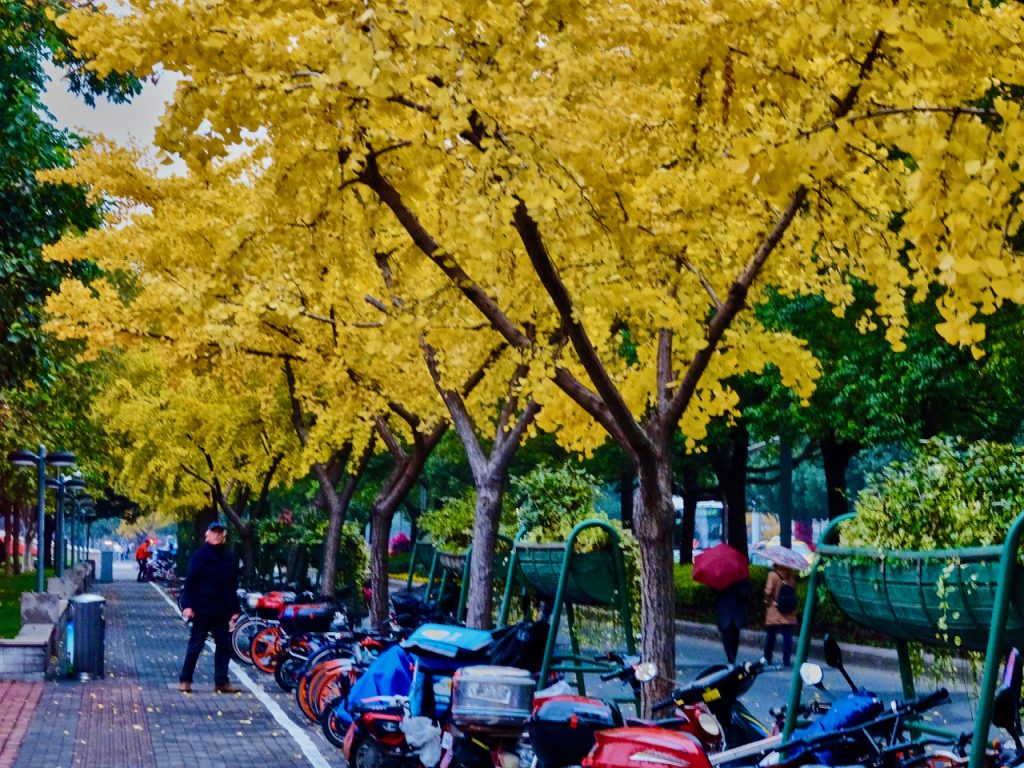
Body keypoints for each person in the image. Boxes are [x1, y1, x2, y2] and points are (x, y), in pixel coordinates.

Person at [178, 521, 242, 694]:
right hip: (202, 608)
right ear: (207, 534)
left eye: (220, 532)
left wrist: (235, 609)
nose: (217, 535)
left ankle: (221, 681)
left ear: (224, 535)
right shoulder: (200, 556)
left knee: (224, 646)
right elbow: (190, 582)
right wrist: (187, 605)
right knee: (196, 645)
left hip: (222, 610)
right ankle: (185, 680)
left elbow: (232, 585)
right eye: (214, 532)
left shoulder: (229, 558)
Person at [763, 564, 799, 667]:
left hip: (775, 608)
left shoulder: (773, 575)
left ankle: (767, 657)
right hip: (788, 610)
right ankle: (786, 660)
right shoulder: (791, 575)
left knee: (771, 635)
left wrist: (767, 600)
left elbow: (768, 591)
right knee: (787, 636)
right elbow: (793, 590)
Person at [714, 578, 750, 665]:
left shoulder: (721, 576)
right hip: (731, 609)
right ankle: (731, 656)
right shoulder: (740, 576)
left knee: (732, 633)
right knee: (730, 633)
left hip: (729, 609)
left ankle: (731, 656)